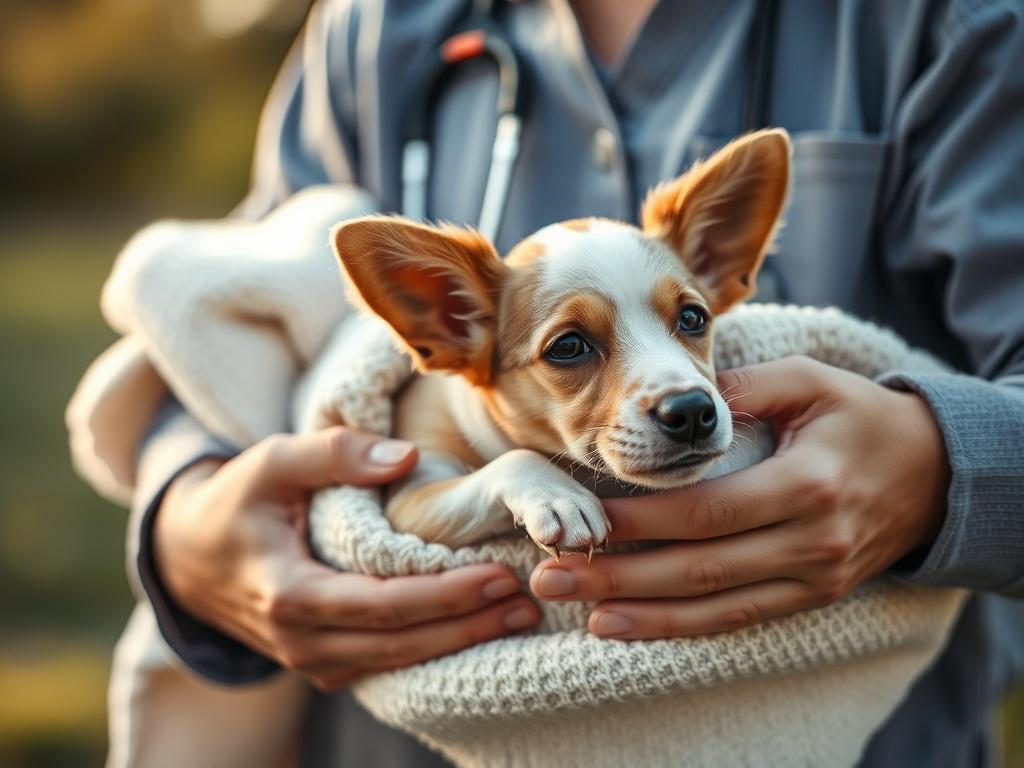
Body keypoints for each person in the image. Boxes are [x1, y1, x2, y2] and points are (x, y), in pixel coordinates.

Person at [107, 0, 1024, 765]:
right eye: (572, 349)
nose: (678, 388)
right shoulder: (373, 25)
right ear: (444, 323)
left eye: (689, 319)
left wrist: (940, 469)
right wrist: (187, 521)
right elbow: (249, 317)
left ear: (720, 275)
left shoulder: (947, 22)